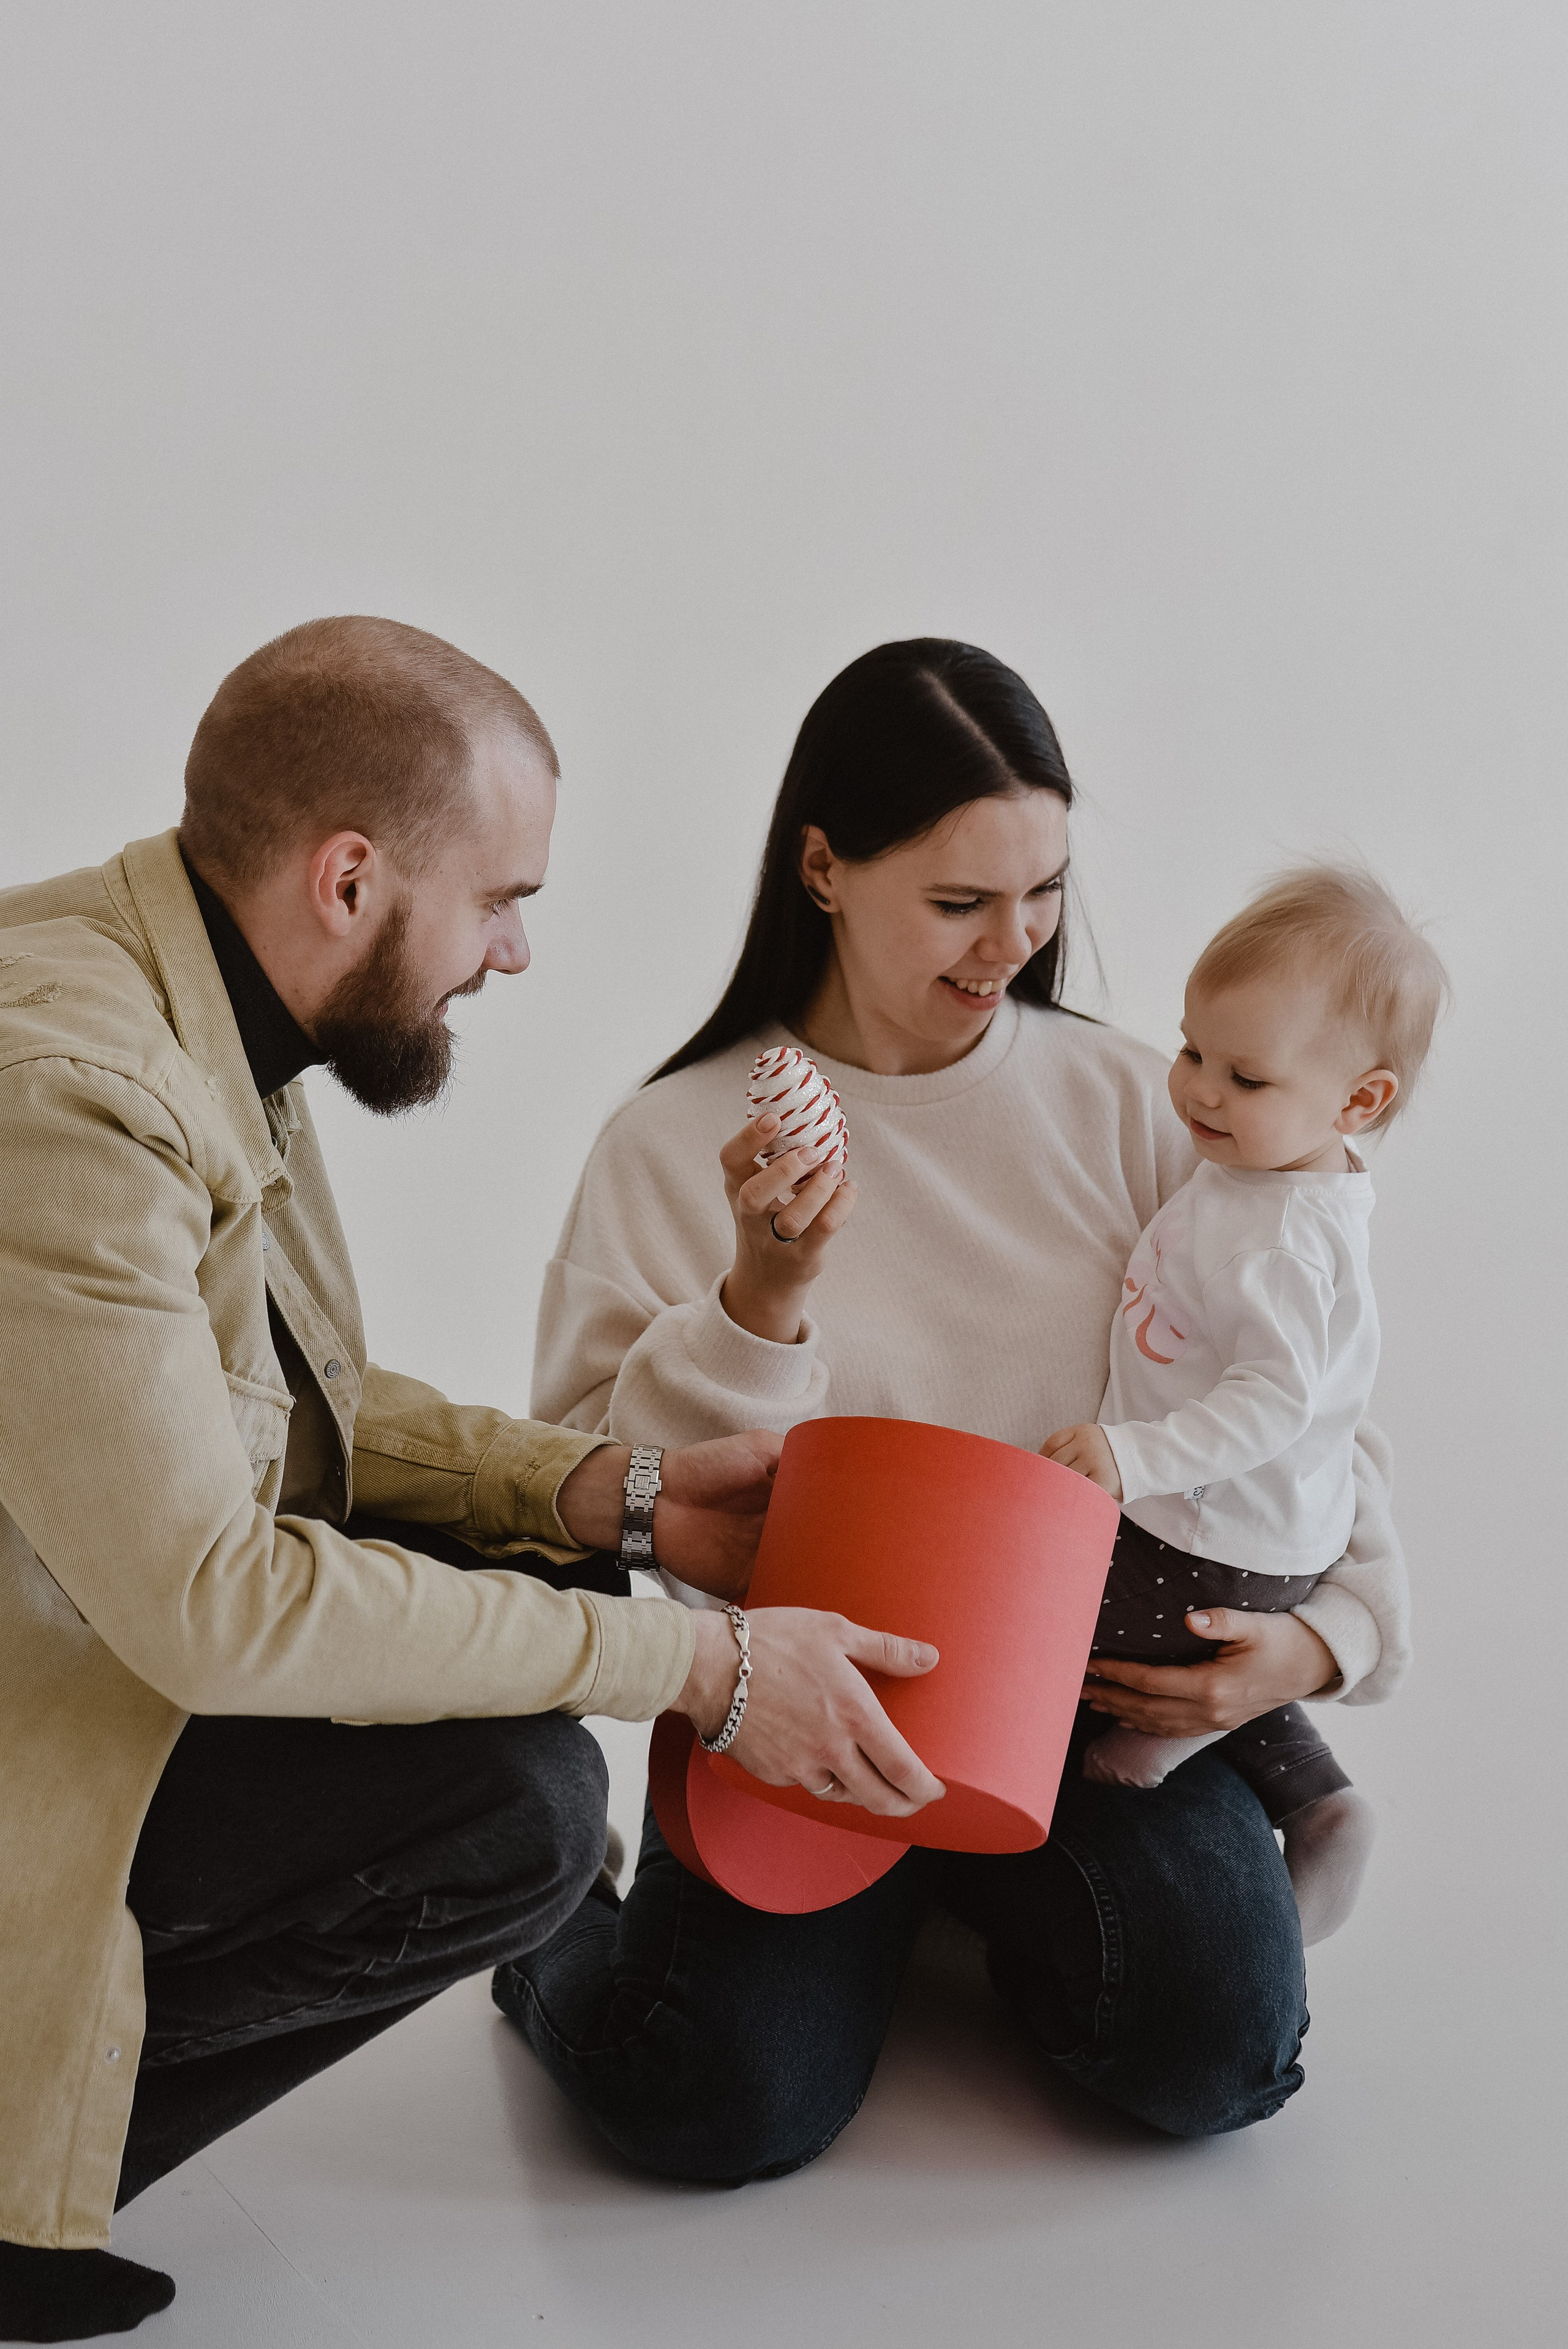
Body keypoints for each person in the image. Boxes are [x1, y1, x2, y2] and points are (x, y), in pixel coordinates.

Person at [0, 617, 948, 2345]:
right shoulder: (75, 1092)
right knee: (522, 1812)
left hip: (77, 1621)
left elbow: (306, 1406)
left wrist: (624, 1497)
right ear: (351, 877)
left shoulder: (193, 990)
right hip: (56, 1694)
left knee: (559, 1612)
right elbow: (212, 1603)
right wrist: (715, 1667)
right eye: (502, 898)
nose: (513, 953)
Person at [497, 637, 1411, 2185]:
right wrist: (760, 1298)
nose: (1015, 942)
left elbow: (1298, 1393)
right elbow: (595, 1480)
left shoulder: (1149, 1103)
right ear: (822, 867)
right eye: (959, 900)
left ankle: (957, 1905)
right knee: (704, 2104)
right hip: (795, 1703)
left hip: (1082, 1703)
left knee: (1221, 2056)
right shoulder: (671, 1143)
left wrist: (1330, 1638)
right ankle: (547, 1918)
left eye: (1044, 890)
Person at [1043, 862, 1447, 1942]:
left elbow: (1276, 1403)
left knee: (1060, 1629)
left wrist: (1135, 1456)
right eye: (1191, 1051)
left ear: (1359, 1101)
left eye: (1247, 1079)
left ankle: (1177, 1742)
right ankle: (1323, 1805)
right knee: (1174, 1644)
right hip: (1252, 1533)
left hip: (1212, 1532)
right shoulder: (1285, 1172)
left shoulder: (1280, 1235)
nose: (1200, 1095)